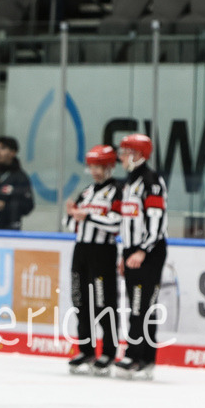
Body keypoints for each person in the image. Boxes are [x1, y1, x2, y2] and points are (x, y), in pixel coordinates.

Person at [114, 133, 168, 380]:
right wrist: (124, 253)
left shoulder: (151, 181)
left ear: (138, 155)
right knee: (137, 304)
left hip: (149, 251)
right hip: (133, 250)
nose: (122, 157)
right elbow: (128, 221)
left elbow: (156, 223)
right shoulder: (130, 181)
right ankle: (144, 357)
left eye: (126, 152)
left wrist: (141, 251)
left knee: (141, 305)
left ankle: (136, 355)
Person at [65, 145, 123, 376]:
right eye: (92, 166)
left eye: (100, 166)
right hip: (81, 251)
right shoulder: (87, 192)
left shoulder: (118, 190)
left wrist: (86, 216)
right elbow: (70, 224)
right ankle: (86, 349)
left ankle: (108, 352)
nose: (95, 171)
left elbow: (117, 222)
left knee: (104, 303)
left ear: (110, 167)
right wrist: (73, 214)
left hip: (103, 252)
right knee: (80, 301)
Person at [0, 135, 34, 230]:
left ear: (13, 152)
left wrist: (5, 206)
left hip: (9, 231)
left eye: (2, 148)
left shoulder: (20, 177)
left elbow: (28, 205)